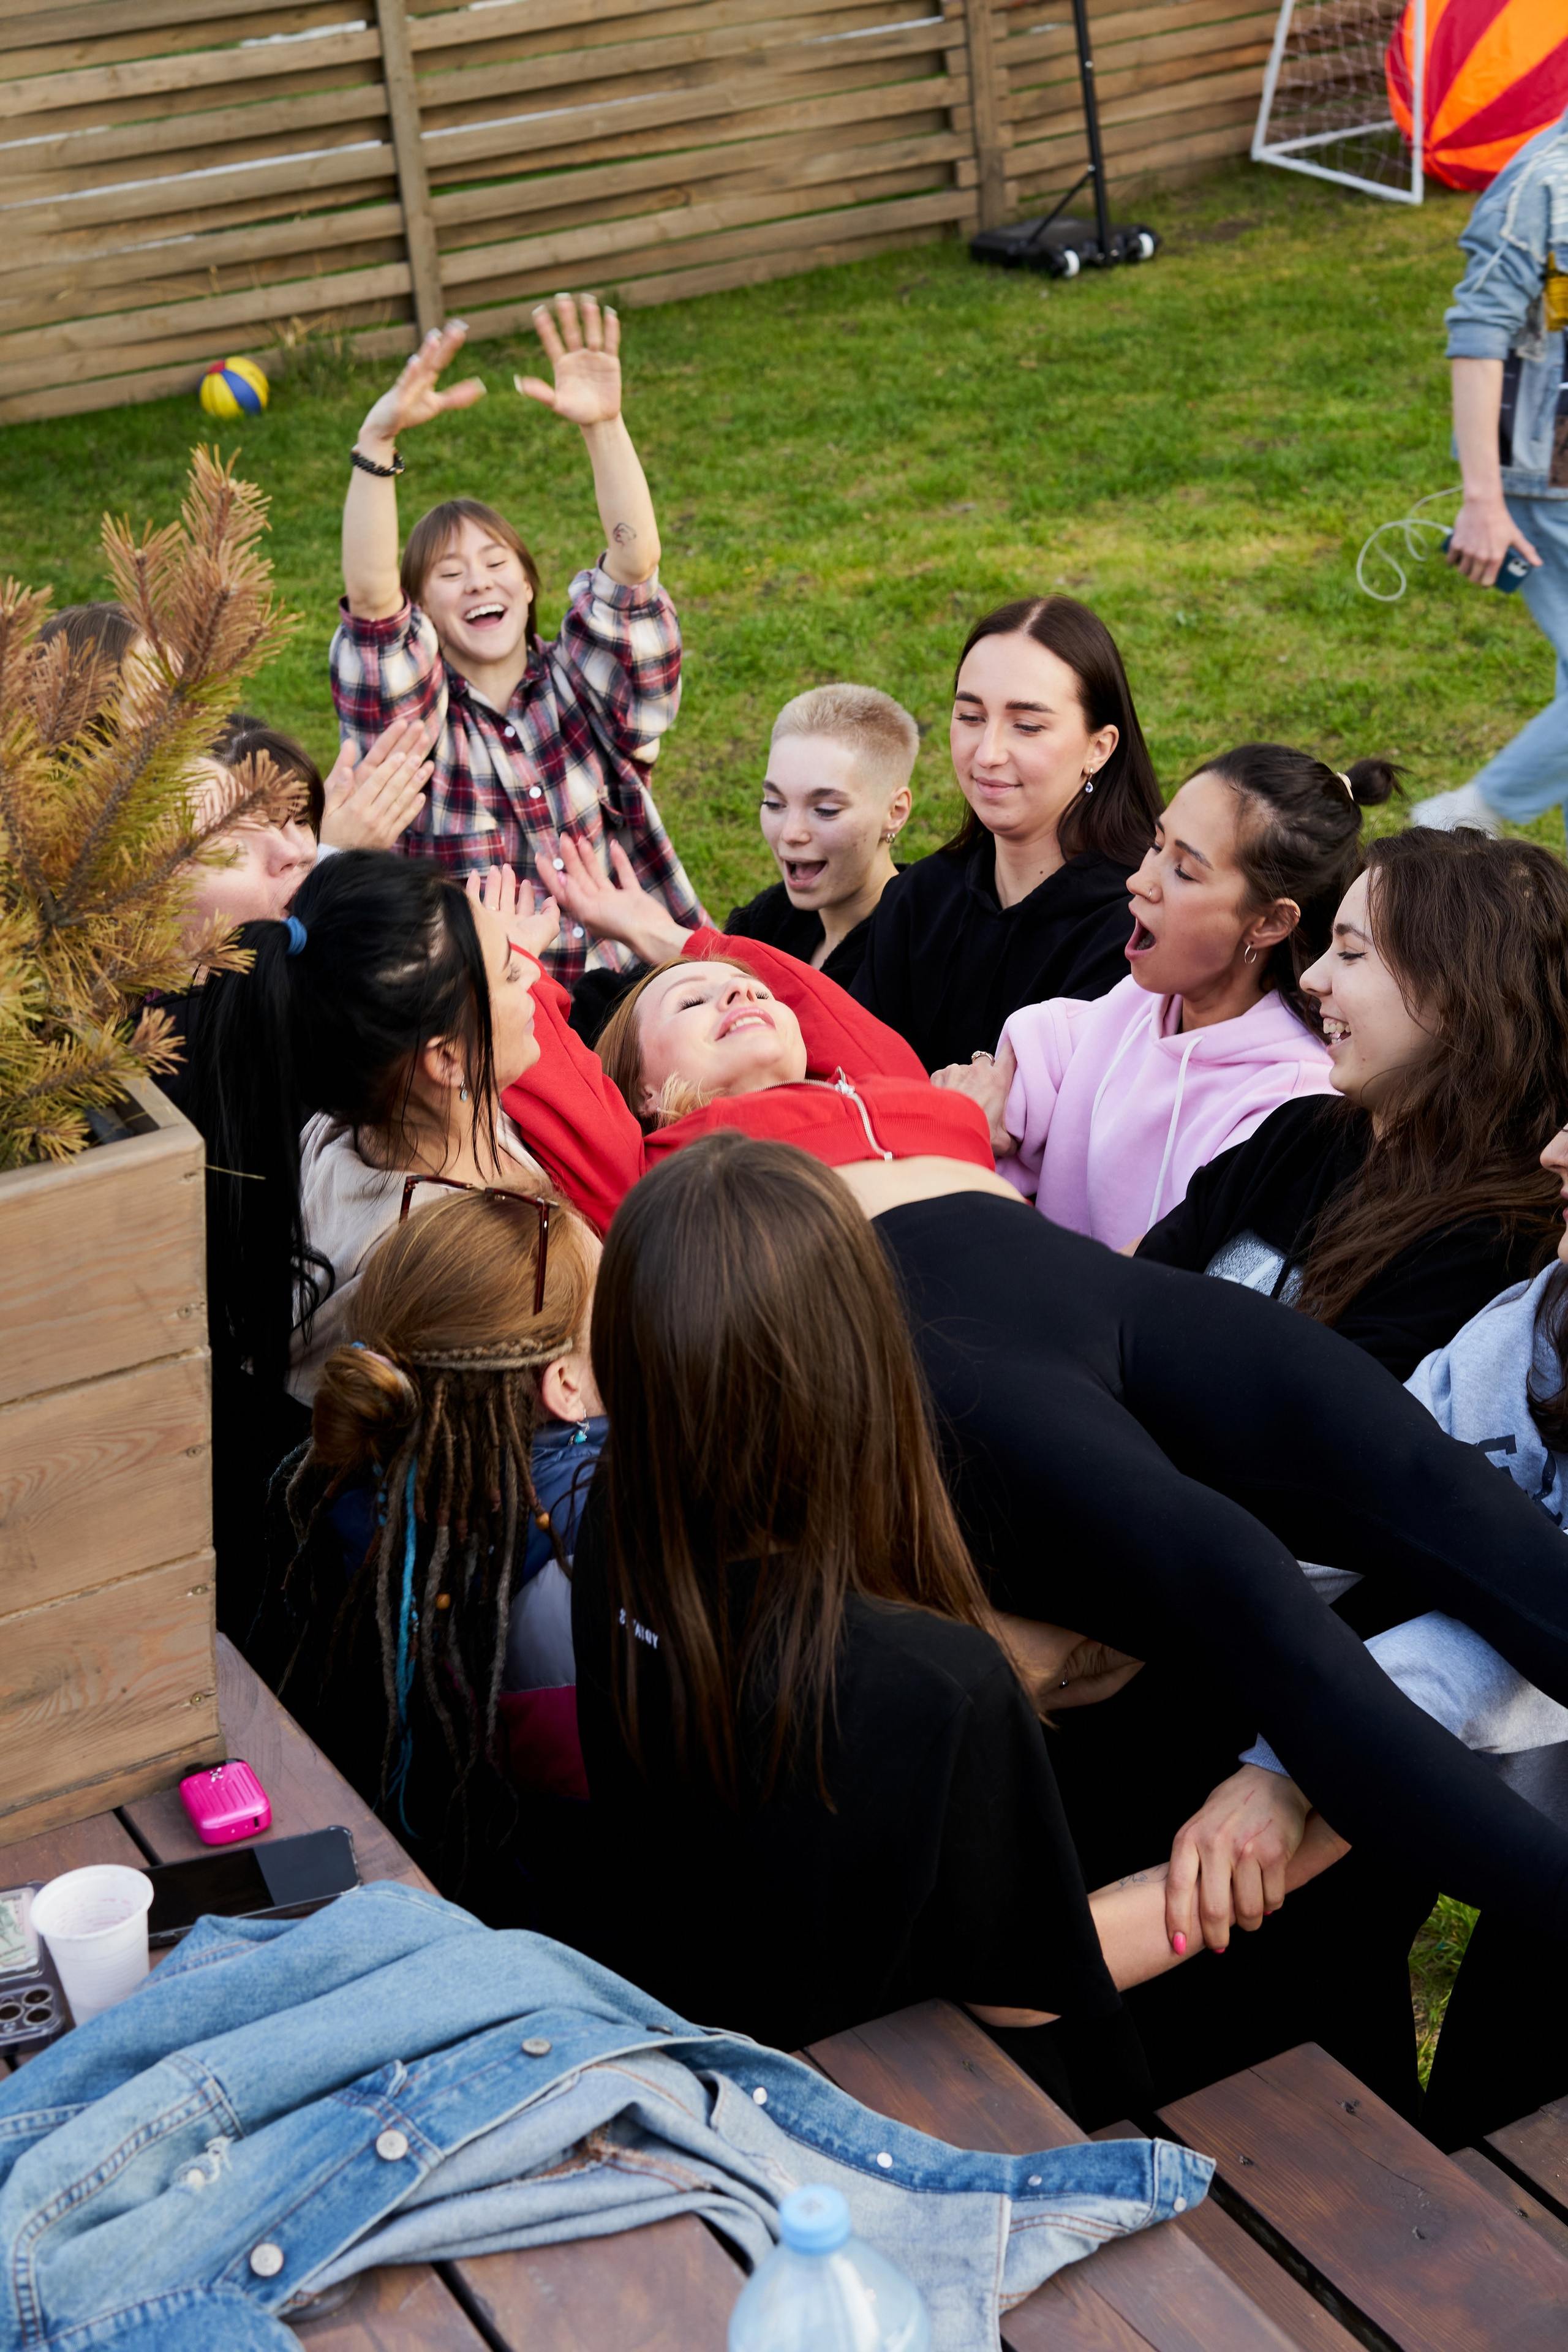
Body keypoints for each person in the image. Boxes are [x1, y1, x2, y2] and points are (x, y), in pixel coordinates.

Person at [491, 884, 1568, 1962]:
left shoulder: (887, 1084)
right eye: (693, 1002)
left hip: (1111, 1303)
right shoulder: (666, 1175)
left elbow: (808, 992)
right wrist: (524, 967)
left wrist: (696, 942)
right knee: (1255, 1601)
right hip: (964, 1366)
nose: (737, 991)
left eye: (742, 982)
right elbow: (536, 1063)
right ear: (644, 1092)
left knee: (1427, 1479)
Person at [571, 1133, 1351, 2110]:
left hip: (705, 1999)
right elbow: (1023, 1993)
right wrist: (1315, 1843)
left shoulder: (620, 1519)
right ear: (861, 1353)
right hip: (908, 2097)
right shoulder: (938, 1687)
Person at [178, 851, 556, 1634]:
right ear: (447, 1059)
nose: (532, 974)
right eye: (512, 974)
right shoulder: (467, 1254)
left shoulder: (330, 1132)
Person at [331, 296, 703, 990]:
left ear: (529, 588)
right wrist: (376, 447)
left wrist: (604, 425)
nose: (477, 581)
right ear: (424, 614)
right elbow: (375, 608)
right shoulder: (418, 730)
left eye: (496, 564)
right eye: (449, 574)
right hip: (503, 1018)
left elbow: (634, 568)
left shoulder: (585, 686)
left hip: (637, 989)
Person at [268, 1188, 603, 1913]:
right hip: (558, 1905)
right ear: (566, 1387)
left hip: (433, 1869)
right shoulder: (597, 1539)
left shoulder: (356, 1490)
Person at [1136, 826, 1568, 1379]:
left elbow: (1303, 1427)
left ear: (1463, 994)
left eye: (1351, 953)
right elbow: (1133, 1299)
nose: (1312, 977)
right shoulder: (1300, 1135)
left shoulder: (1498, 1243)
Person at [930, 744, 1382, 1250]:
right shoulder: (1139, 1006)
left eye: (1185, 872)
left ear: (1270, 922)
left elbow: (1151, 1284)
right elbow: (1032, 1067)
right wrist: (979, 1098)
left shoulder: (1289, 1108)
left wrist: (959, 1153)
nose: (1139, 881)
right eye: (1156, 844)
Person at [847, 597, 1163, 1069]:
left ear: (1099, 747)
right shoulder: (918, 901)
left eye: (1028, 726)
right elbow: (853, 1073)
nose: (988, 753)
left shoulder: (1137, 928)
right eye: (971, 718)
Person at [1408, 105, 1568, 834]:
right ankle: (1470, 816)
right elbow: (1477, 334)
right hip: (1546, 482)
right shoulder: (1540, 184)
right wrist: (1484, 500)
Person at [726, 682, 916, 984]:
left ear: (894, 813)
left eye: (825, 809)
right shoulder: (770, 917)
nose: (790, 833)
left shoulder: (914, 956)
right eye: (774, 803)